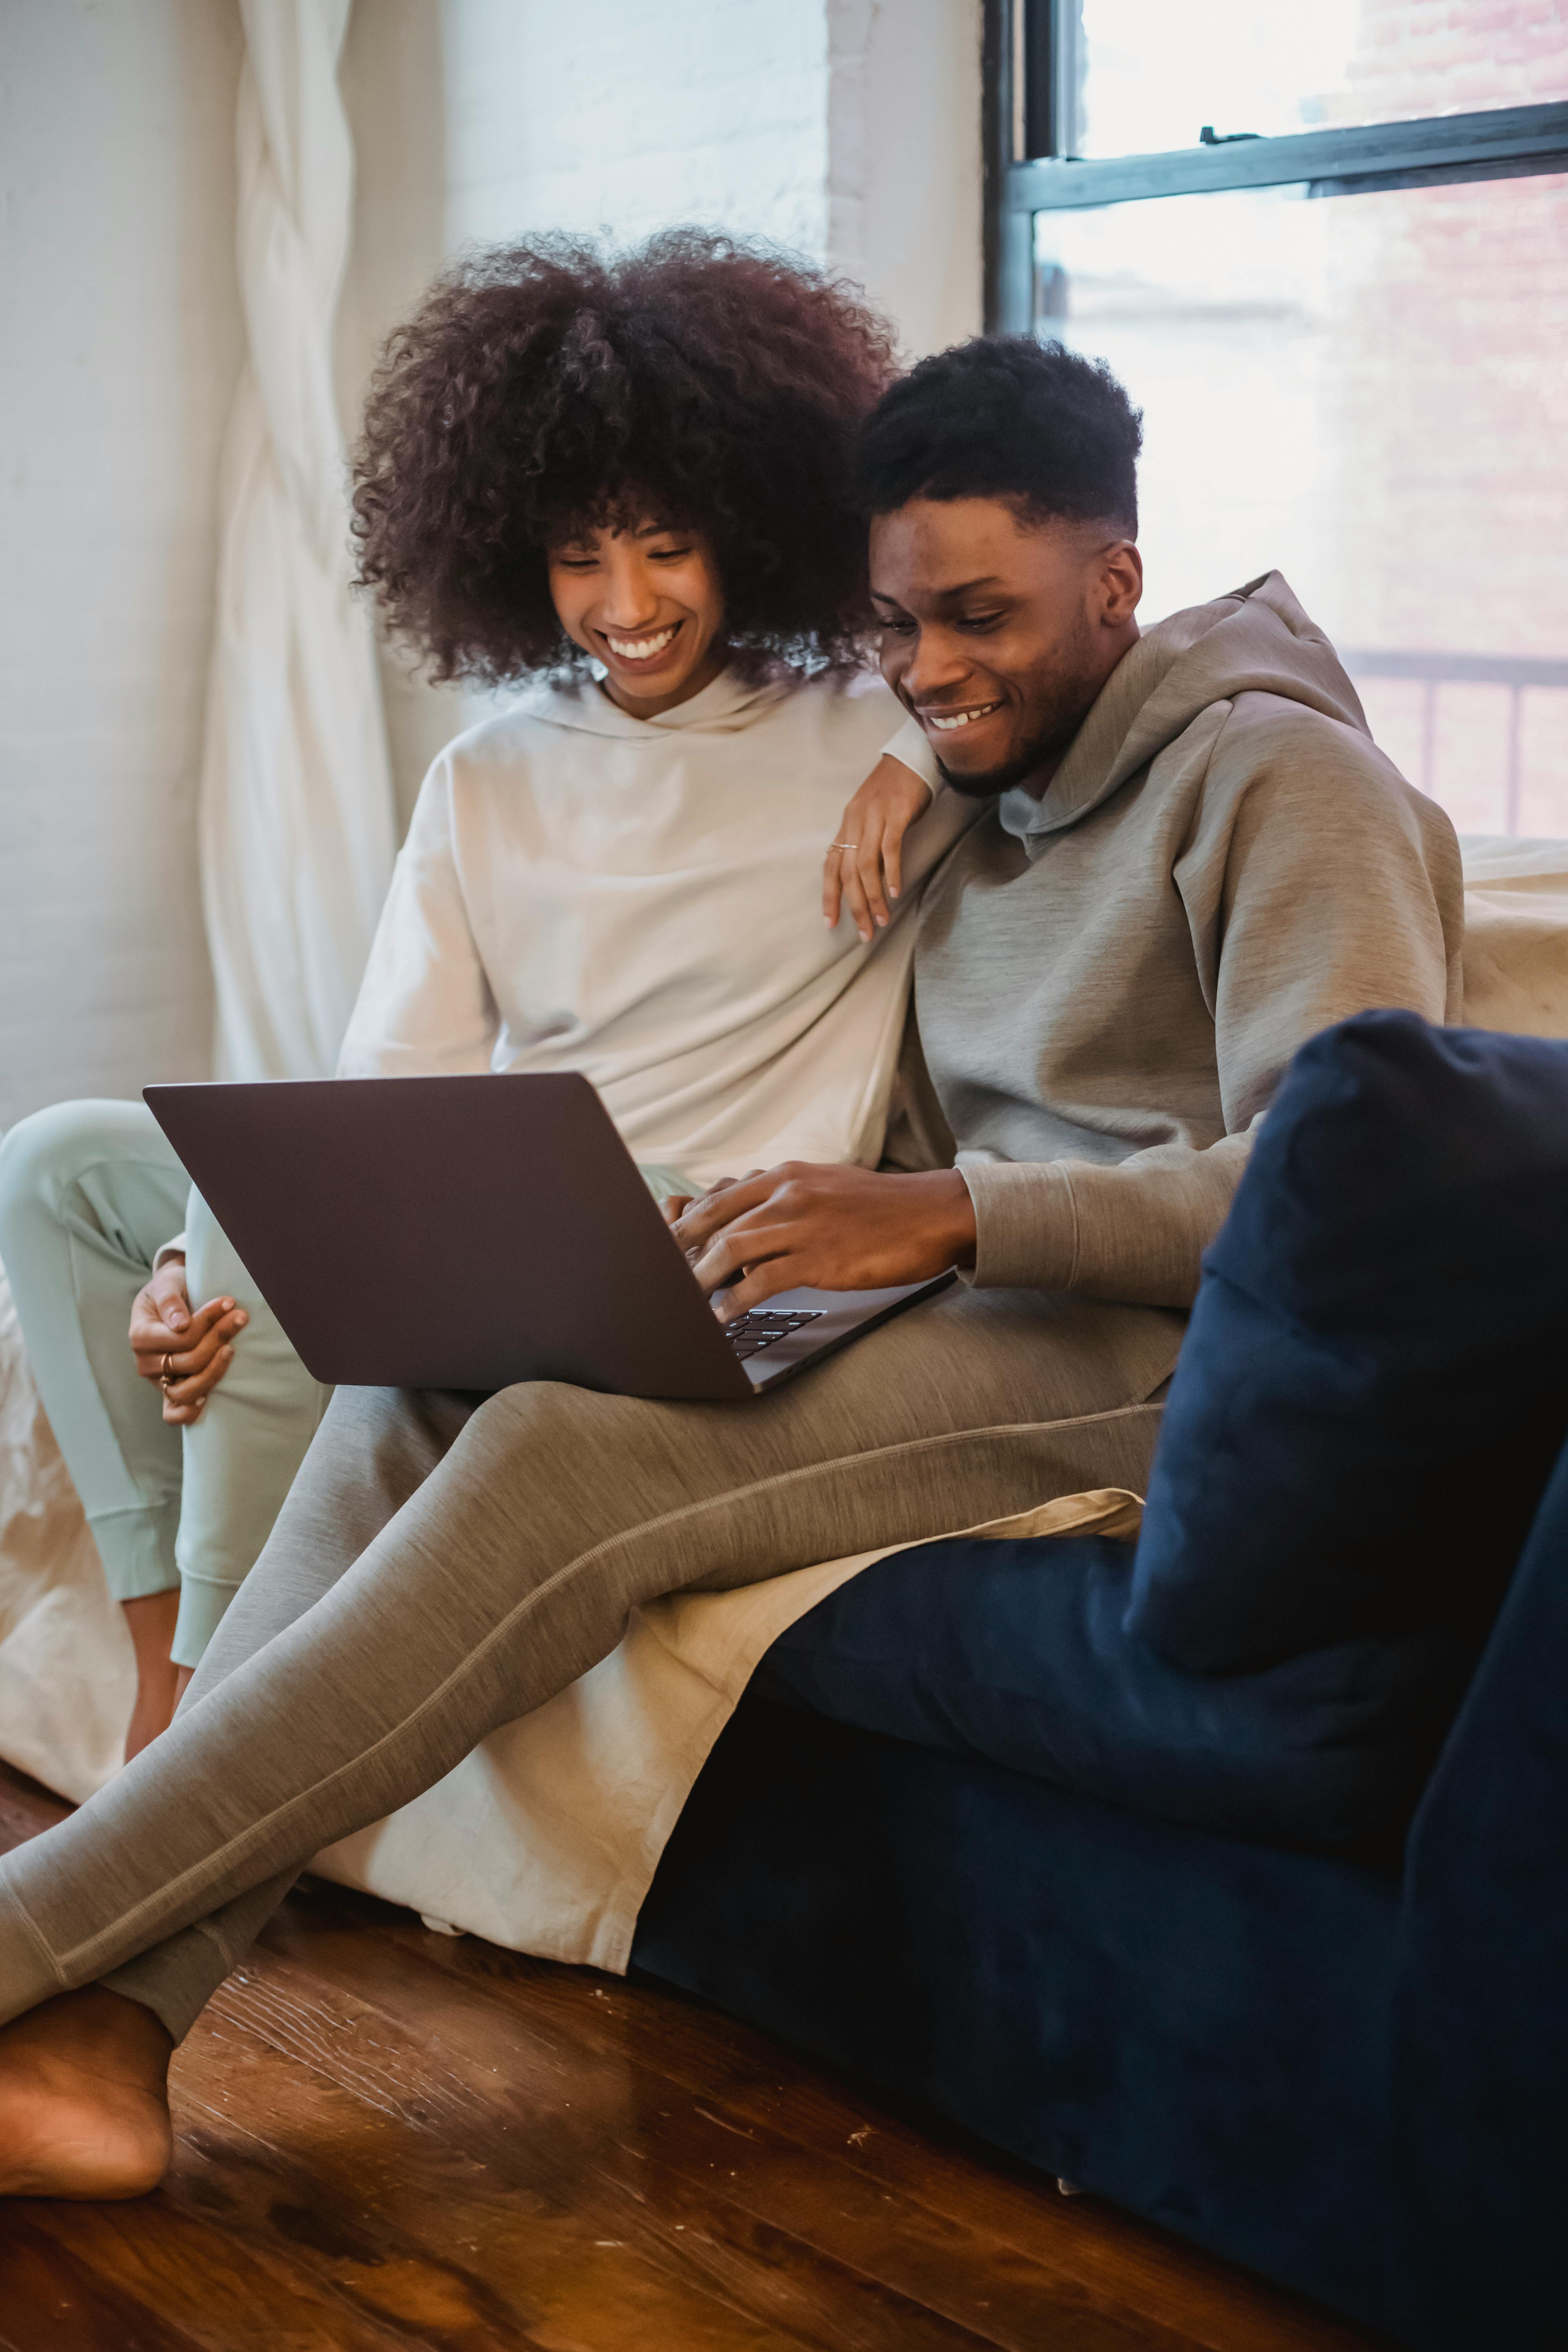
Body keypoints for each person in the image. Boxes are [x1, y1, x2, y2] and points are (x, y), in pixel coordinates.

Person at [0, 334, 1464, 2202]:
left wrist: (949, 1214)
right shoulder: (980, 777)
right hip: (953, 1299)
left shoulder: (1280, 783)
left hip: (1155, 1349)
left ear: (1117, 578)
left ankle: (30, 1942)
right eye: (898, 623)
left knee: (557, 1450)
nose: (931, 669)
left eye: (981, 617)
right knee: (422, 1376)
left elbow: (1348, 1184)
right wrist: (933, 788)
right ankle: (114, 2044)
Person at [0, 230, 950, 1762]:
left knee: (274, 1208)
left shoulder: (878, 734)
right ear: (512, 557)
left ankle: (216, 1749)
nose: (623, 601)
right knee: (52, 1165)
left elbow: (1162, 657)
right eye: (580, 554)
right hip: (506, 1211)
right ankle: (171, 1685)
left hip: (703, 1234)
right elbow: (387, 1096)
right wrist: (189, 1251)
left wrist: (919, 758)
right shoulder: (488, 775)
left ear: (751, 530)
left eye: (664, 545)